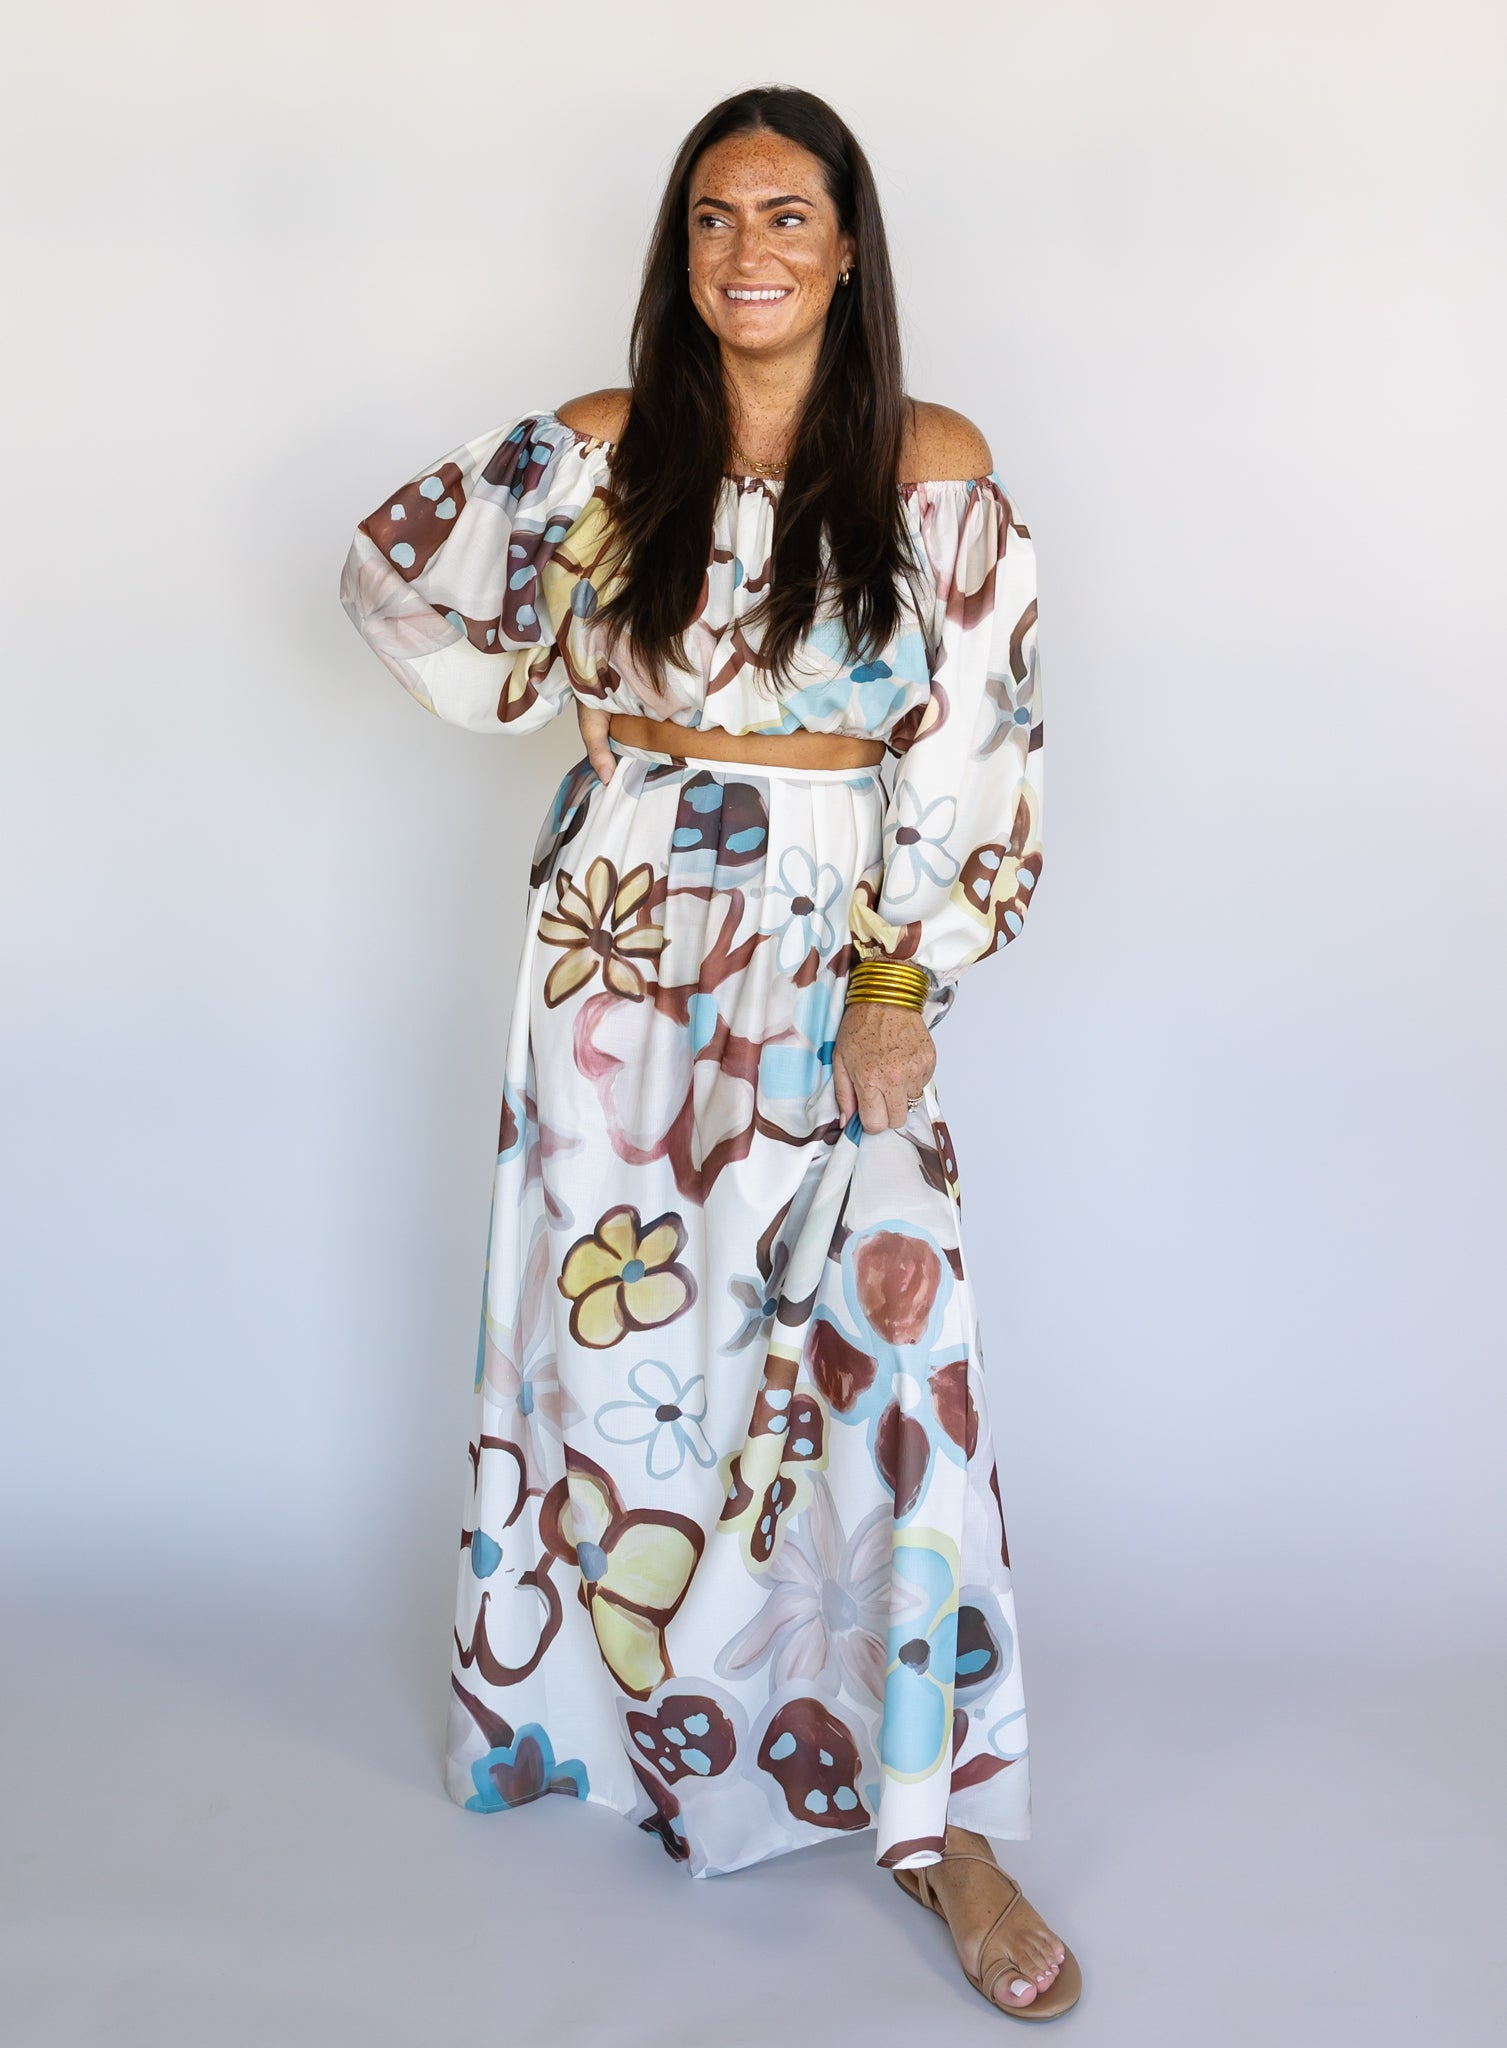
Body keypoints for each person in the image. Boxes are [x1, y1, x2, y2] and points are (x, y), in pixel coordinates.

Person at [339, 83, 1078, 2022]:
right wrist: (571, 688)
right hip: (618, 941)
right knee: (627, 1362)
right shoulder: (608, 447)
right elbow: (393, 575)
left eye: (786, 215)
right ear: (683, 251)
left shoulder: (927, 464)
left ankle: (939, 1822)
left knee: (890, 1347)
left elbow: (979, 743)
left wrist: (901, 981)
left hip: (829, 950)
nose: (747, 251)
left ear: (847, 247)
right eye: (713, 219)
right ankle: (652, 1738)